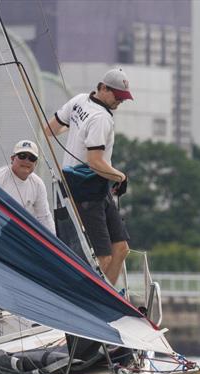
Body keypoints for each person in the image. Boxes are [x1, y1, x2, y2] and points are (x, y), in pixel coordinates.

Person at [45, 68, 132, 285]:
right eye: (117, 96)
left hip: (92, 188)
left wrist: (78, 129)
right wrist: (120, 176)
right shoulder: (101, 119)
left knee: (121, 249)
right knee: (103, 257)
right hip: (87, 191)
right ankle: (85, 299)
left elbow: (50, 129)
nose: (119, 102)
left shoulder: (79, 100)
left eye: (123, 98)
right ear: (103, 88)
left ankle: (109, 299)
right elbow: (95, 162)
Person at [0, 140, 55, 234]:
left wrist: (53, 243)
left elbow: (44, 217)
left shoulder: (38, 184)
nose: (27, 161)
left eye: (32, 158)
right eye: (22, 156)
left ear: (36, 163)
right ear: (12, 158)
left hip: (22, 234)